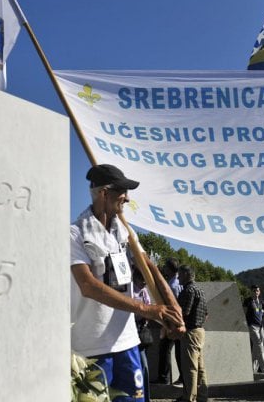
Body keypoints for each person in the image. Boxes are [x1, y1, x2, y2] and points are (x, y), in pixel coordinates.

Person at [71, 164, 184, 402]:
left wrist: (173, 309)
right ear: (104, 193)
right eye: (122, 191)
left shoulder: (125, 232)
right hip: (93, 350)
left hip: (128, 343)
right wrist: (147, 309)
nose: (127, 197)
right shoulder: (76, 233)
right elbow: (88, 285)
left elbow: (149, 266)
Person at [175, 265, 209, 402]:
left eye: (180, 275)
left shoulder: (187, 291)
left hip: (190, 332)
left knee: (190, 368)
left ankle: (189, 398)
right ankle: (202, 397)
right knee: (200, 368)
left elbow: (184, 312)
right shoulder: (200, 291)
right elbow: (206, 314)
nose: (178, 278)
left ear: (186, 274)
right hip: (200, 331)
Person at [155, 257, 183, 386]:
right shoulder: (177, 282)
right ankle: (181, 377)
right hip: (176, 323)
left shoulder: (172, 285)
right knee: (178, 351)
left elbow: (172, 304)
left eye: (166, 267)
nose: (164, 268)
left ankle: (163, 377)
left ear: (170, 268)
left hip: (171, 323)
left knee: (165, 350)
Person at [133, 268, 153, 402]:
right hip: (128, 330)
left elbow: (149, 308)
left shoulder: (144, 292)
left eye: (146, 283)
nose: (144, 285)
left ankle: (146, 398)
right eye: (142, 282)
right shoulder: (129, 289)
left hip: (139, 331)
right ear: (136, 279)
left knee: (144, 366)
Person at [245, 285, 264, 373]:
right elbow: (243, 313)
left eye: (257, 291)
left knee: (257, 347)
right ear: (251, 292)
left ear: (259, 292)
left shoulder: (261, 302)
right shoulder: (247, 301)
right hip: (252, 326)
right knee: (259, 345)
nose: (256, 292)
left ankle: (253, 369)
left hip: (260, 327)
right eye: (254, 291)